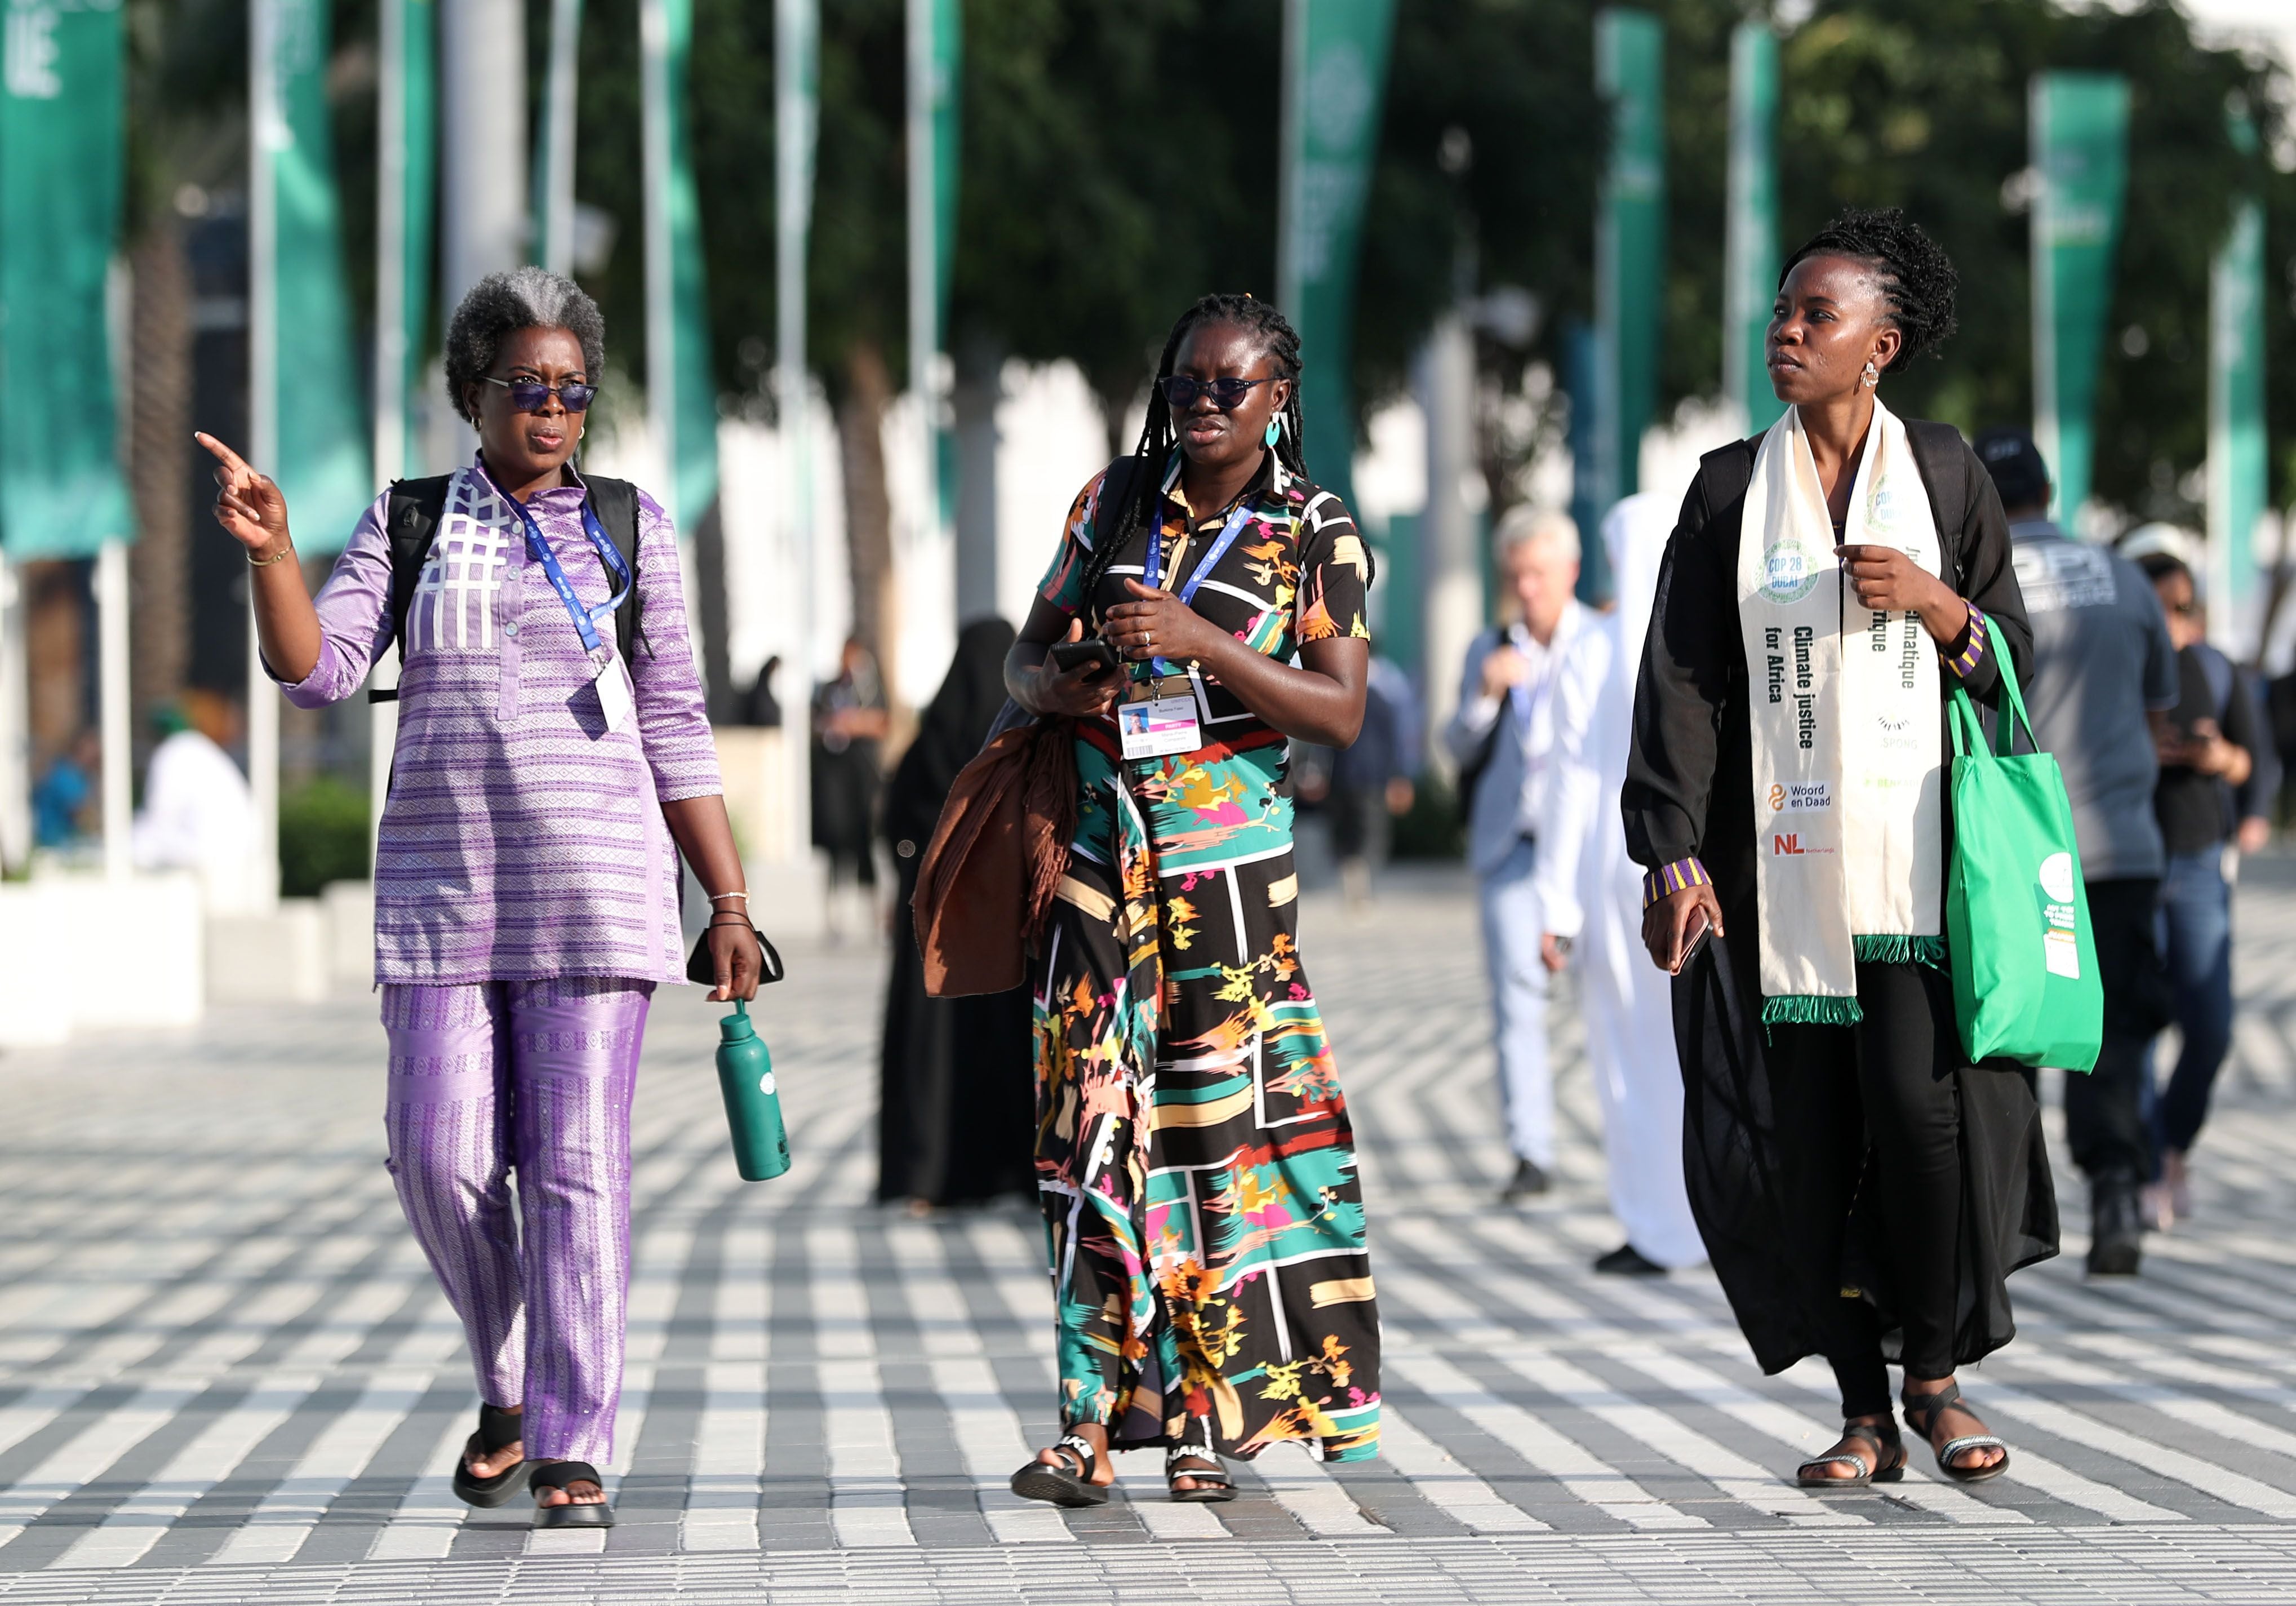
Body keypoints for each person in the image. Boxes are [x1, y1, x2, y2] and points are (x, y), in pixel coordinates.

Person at [196, 266, 763, 1530]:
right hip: (441, 902)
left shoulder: (630, 525)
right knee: (439, 1158)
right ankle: (508, 1381)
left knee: (574, 1173)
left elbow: (676, 720)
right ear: (472, 394)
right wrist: (275, 552)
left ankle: (571, 1442)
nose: (553, 411)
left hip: (600, 895)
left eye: (573, 391)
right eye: (526, 388)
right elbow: (314, 671)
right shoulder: (406, 522)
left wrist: (725, 900)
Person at [1627, 210, 2051, 1489]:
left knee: (1923, 1123)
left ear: (1884, 343)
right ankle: (1862, 1409)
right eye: (1783, 312)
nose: (1786, 333)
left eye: (1817, 317)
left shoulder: (1948, 473)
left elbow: (2012, 659)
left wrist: (1939, 605)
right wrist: (1668, 850)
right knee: (1809, 1140)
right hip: (1777, 881)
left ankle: (1936, 1377)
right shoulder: (1724, 489)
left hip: (1921, 882)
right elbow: (1683, 681)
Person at [1001, 294, 1381, 1506]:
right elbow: (1021, 653)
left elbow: (1338, 711)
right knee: (1086, 1132)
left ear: (1279, 398)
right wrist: (1058, 684)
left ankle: (1206, 1417)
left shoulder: (1313, 527)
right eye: (1185, 385)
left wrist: (1199, 642)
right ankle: (1085, 1423)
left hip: (1230, 888)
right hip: (1101, 869)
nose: (1203, 404)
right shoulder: (1111, 502)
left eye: (1230, 386)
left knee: (1213, 1145)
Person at [1974, 427, 2177, 1275]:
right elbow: (2159, 709)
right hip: (2123, 845)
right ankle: (2116, 1192)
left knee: (2010, 1023)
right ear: (2049, 493)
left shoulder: (1976, 585)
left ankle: (2004, 1218)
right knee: (2114, 1027)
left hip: (2023, 851)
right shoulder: (2123, 576)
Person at [1556, 491, 1704, 1276]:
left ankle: (1655, 1225)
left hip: (1615, 879)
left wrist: (1554, 905)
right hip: (1697, 875)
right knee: (1702, 1053)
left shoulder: (1587, 652)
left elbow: (1568, 792)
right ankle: (1717, 1218)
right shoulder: (1705, 643)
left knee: (1629, 1060)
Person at [1444, 507, 1597, 1203]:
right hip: (1512, 847)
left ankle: (1630, 1142)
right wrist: (1485, 694)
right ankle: (1531, 1151)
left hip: (1592, 851)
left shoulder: (1599, 644)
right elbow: (1455, 746)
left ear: (1569, 570)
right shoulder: (1489, 648)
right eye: (1517, 576)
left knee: (1606, 993)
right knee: (1516, 1002)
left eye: (1538, 573)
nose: (1527, 589)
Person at [877, 618, 1034, 1210]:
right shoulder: (1017, 741)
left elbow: (894, 824)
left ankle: (925, 1173)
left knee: (930, 1053)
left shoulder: (931, 746)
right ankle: (1015, 1170)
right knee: (1009, 1043)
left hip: (934, 930)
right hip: (1004, 928)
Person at [2134, 552, 2255, 1230]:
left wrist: (2215, 759)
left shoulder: (2215, 667)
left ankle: (2174, 1144)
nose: (2169, 622)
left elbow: (2250, 760)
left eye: (2180, 609)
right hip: (2130, 863)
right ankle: (2150, 1170)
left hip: (2200, 861)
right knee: (2140, 1029)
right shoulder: (2117, 669)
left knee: (2210, 1029)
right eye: (2157, 608)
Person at [132, 691, 257, 910]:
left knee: (130, 845)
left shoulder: (172, 753)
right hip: (242, 855)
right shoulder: (204, 750)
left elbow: (159, 814)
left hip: (207, 856)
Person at [1328, 655, 1419, 910]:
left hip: (1347, 774)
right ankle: (1362, 891)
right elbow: (1399, 739)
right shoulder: (1389, 693)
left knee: (1353, 834)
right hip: (1372, 777)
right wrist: (1400, 775)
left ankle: (1356, 887)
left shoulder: (1341, 690)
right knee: (1369, 834)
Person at [811, 638, 887, 938]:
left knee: (865, 843)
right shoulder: (829, 690)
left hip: (862, 779)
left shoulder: (869, 691)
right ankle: (835, 919)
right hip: (834, 780)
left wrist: (852, 723)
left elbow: (882, 722)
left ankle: (873, 917)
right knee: (835, 846)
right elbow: (817, 723)